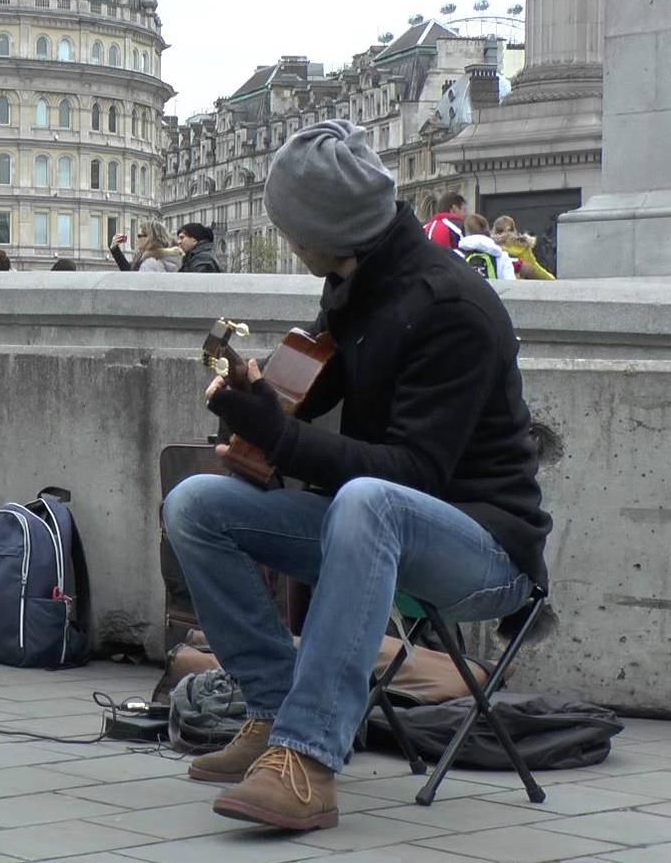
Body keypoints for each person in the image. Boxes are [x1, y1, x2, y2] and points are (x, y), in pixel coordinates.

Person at [164, 120, 549, 832]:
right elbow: (306, 395)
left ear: (326, 230)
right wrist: (252, 407)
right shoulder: (355, 283)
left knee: (371, 501)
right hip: (371, 534)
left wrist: (278, 436)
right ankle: (274, 710)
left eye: (290, 227)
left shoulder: (453, 308)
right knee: (196, 505)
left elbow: (414, 475)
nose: (285, 241)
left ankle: (307, 761)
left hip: (487, 551)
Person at [492, 215, 556, 280]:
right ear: (513, 229)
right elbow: (535, 266)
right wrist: (550, 278)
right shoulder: (522, 245)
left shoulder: (490, 246)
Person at [456, 213, 516, 281]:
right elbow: (511, 284)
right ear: (488, 230)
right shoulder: (502, 256)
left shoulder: (456, 256)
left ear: (465, 231)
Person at [110, 221, 183, 273]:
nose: (137, 239)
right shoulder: (154, 257)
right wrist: (115, 250)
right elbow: (130, 274)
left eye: (139, 235)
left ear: (151, 238)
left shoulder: (151, 263)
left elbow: (137, 285)